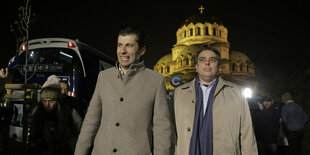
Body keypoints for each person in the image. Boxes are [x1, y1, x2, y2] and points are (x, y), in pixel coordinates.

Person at [75, 26, 171, 155]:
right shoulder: (104, 77)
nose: (122, 51)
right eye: (119, 45)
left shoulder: (156, 81)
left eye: (129, 45)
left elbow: (162, 129)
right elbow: (91, 121)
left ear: (142, 50)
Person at [173, 45, 257, 155]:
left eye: (212, 60)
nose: (207, 63)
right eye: (202, 59)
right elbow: (172, 131)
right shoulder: (179, 93)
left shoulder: (236, 92)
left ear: (219, 66)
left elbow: (247, 132)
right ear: (196, 66)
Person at [29, 75, 82, 155]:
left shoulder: (70, 112)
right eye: (44, 101)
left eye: (51, 101)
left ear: (58, 100)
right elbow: (32, 137)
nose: (47, 105)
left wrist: (71, 146)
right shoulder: (37, 112)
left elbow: (82, 132)